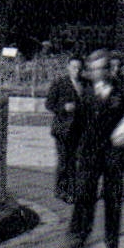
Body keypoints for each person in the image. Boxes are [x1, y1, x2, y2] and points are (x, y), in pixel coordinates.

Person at [63, 49, 124, 248]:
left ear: (108, 69)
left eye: (99, 68)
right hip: (89, 153)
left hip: (115, 154)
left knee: (112, 197)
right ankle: (78, 238)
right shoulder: (86, 92)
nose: (95, 73)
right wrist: (70, 153)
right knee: (84, 195)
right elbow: (77, 125)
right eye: (92, 69)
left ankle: (112, 241)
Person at [45, 54, 84, 203]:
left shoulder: (86, 84)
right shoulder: (59, 83)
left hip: (80, 129)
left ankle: (72, 191)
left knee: (77, 161)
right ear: (68, 67)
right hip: (63, 128)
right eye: (74, 67)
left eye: (79, 68)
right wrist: (63, 107)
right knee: (64, 161)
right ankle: (62, 189)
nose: (77, 71)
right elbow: (49, 104)